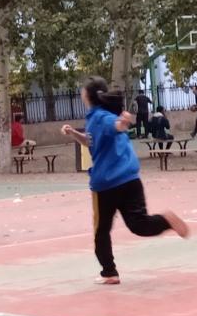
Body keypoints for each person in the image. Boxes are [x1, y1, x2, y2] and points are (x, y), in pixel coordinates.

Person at [61, 77, 189, 284]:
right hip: (130, 179)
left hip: (106, 185)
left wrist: (123, 122)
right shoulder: (101, 117)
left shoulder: (100, 117)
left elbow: (116, 126)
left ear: (88, 95)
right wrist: (74, 133)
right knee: (139, 225)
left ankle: (109, 272)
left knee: (101, 231)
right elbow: (92, 141)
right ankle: (166, 220)